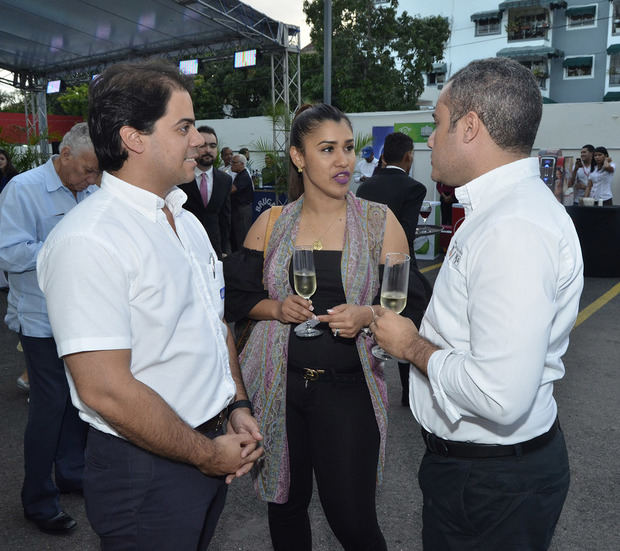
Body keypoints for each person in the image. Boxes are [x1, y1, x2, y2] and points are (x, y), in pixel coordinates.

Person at [36, 60, 263, 549]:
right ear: (133, 138)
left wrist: (236, 404)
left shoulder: (185, 220)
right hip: (146, 470)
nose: (198, 141)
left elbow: (214, 323)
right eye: (182, 127)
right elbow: (106, 391)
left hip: (204, 447)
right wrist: (204, 453)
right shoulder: (88, 241)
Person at [372, 57, 584, 550]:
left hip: (489, 485)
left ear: (469, 127)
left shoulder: (511, 228)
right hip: (490, 475)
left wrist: (412, 347)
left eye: (436, 123)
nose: (429, 139)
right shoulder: (509, 211)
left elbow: (500, 396)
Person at [224, 103, 410, 551]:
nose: (343, 160)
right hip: (279, 389)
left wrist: (367, 315)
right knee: (285, 510)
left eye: (348, 148)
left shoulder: (379, 223)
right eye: (327, 149)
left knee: (353, 522)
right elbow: (235, 300)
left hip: (349, 391)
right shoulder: (270, 224)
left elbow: (408, 305)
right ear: (298, 157)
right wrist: (276, 309)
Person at [0, 122, 99, 534]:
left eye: (97, 173)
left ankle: (71, 473)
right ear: (65, 156)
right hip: (41, 320)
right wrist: (70, 249)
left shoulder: (92, 190)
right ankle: (38, 500)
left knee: (79, 399)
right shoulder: (23, 189)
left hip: (85, 317)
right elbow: (9, 252)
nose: (92, 180)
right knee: (50, 405)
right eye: (88, 170)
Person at [356, 131, 432, 406]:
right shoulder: (413, 188)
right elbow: (406, 236)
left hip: (365, 268)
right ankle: (409, 391)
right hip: (396, 268)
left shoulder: (365, 187)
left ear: (384, 155)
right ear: (409, 156)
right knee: (410, 319)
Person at [178, 125, 232, 258]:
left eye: (213, 146)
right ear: (194, 147)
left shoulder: (225, 180)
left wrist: (224, 248)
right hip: (185, 249)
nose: (208, 150)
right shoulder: (179, 179)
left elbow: (225, 218)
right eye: (203, 145)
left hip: (215, 250)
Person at [230, 153, 254, 251]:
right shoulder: (239, 175)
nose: (231, 164)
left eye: (234, 163)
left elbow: (232, 189)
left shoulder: (244, 175)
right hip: (238, 209)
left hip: (242, 210)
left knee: (242, 236)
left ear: (242, 164)